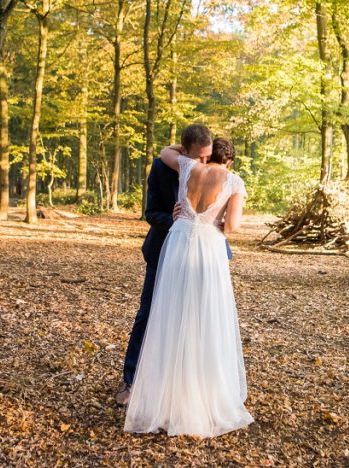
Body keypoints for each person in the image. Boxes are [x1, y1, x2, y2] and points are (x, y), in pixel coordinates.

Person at [123, 137, 253, 437]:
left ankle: (163, 396)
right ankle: (201, 394)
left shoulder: (187, 165)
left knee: (169, 313)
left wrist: (185, 151)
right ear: (229, 160)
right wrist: (220, 223)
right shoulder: (233, 180)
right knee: (205, 318)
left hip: (178, 244)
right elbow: (232, 226)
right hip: (207, 249)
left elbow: (163, 151)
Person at [116, 124, 214, 405]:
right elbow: (151, 212)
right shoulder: (161, 168)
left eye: (208, 158)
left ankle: (191, 385)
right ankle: (131, 380)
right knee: (148, 313)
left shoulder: (213, 169)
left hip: (200, 256)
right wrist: (174, 221)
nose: (204, 165)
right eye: (199, 158)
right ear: (183, 152)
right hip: (162, 252)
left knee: (197, 318)